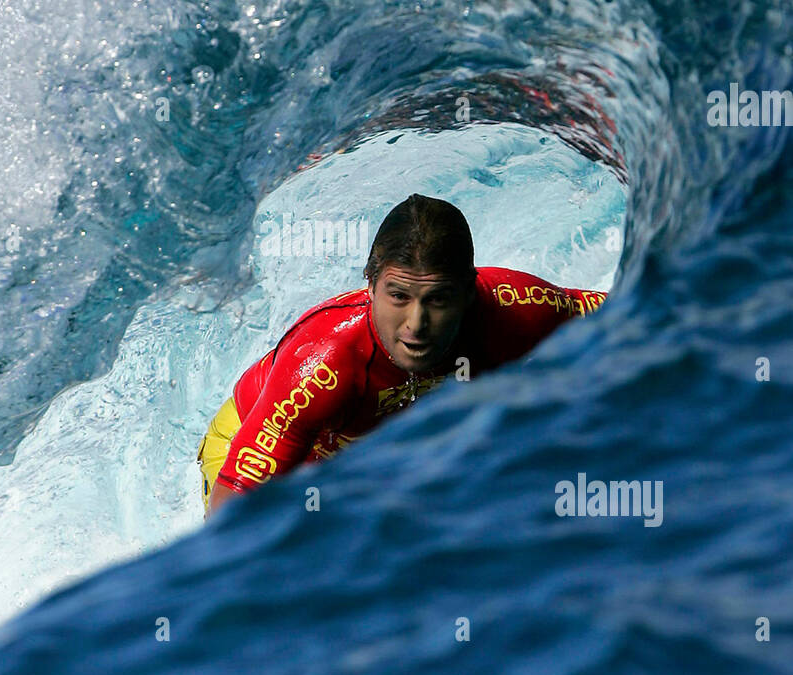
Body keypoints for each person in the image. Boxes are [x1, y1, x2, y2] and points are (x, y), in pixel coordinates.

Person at [198, 194, 608, 515]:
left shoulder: (515, 310)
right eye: (399, 296)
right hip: (253, 446)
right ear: (370, 285)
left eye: (438, 299)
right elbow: (236, 510)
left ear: (468, 291)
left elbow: (634, 312)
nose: (416, 324)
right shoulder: (324, 363)